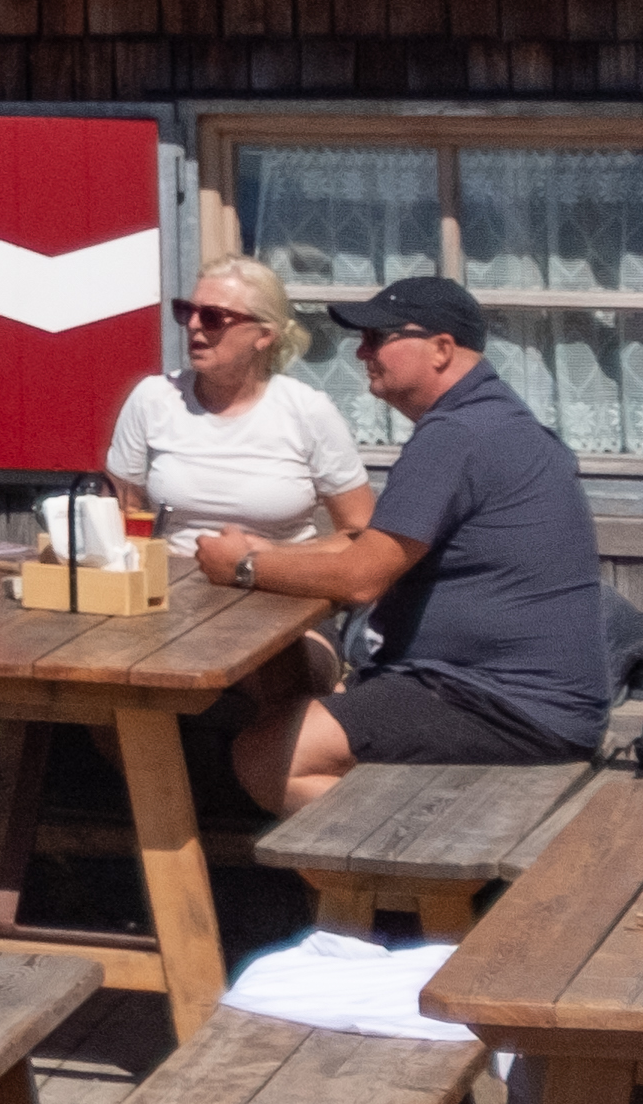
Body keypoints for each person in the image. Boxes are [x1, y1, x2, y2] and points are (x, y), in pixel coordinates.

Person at [229, 273, 612, 808]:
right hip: (511, 692)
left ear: (441, 349)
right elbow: (376, 544)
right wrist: (274, 554)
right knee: (299, 710)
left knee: (269, 753)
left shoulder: (457, 436)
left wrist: (243, 567)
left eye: (379, 337)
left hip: (508, 703)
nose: (362, 351)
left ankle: (410, 879)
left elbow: (362, 579)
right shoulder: (489, 419)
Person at [111, 256, 377, 564]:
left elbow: (358, 532)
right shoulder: (153, 398)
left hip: (277, 586)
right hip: (174, 584)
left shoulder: (307, 411)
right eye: (186, 311)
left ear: (264, 336)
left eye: (212, 317)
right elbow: (122, 512)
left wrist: (269, 555)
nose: (194, 325)